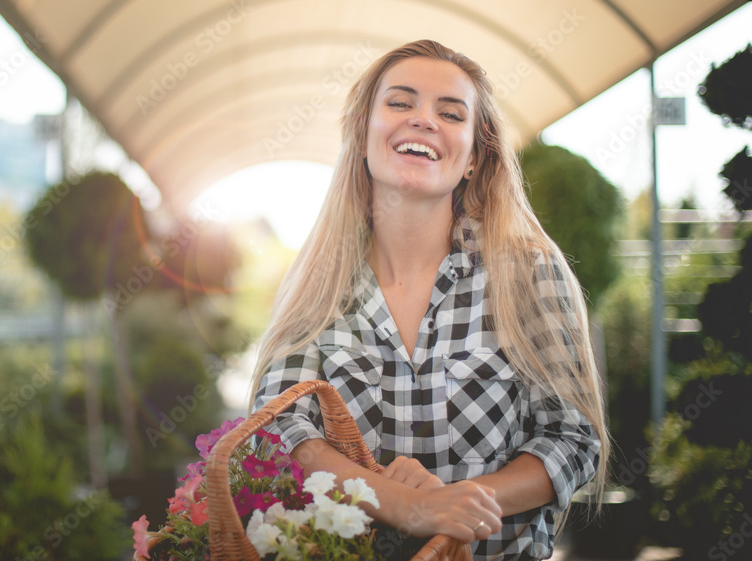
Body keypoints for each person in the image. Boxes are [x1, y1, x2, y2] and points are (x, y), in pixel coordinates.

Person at [250, 39, 608, 560]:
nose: (423, 119)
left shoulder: (526, 274)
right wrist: (402, 505)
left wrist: (458, 506)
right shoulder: (318, 284)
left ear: (473, 157)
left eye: (450, 112)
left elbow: (572, 439)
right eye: (400, 102)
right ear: (361, 134)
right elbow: (278, 431)